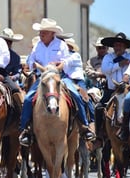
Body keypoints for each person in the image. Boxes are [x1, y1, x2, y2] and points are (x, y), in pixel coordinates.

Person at [18, 18, 95, 146]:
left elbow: (67, 61)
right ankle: (25, 129)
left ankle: (84, 126)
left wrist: (61, 64)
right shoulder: (38, 45)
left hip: (60, 76)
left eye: (44, 32)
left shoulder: (61, 45)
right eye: (40, 32)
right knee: (27, 98)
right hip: (43, 77)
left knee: (75, 94)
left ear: (52, 33)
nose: (41, 34)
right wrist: (34, 64)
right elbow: (30, 60)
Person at [97, 32, 130, 141]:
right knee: (98, 107)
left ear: (125, 46)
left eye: (120, 45)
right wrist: (119, 64)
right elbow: (105, 69)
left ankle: (127, 128)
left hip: (128, 89)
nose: (117, 47)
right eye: (116, 45)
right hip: (112, 89)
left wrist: (126, 75)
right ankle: (99, 134)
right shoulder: (108, 57)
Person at [62, 38, 95, 132]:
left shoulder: (75, 55)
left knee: (85, 98)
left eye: (66, 45)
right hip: (64, 80)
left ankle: (90, 122)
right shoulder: (62, 56)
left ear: (71, 47)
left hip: (77, 81)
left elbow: (65, 63)